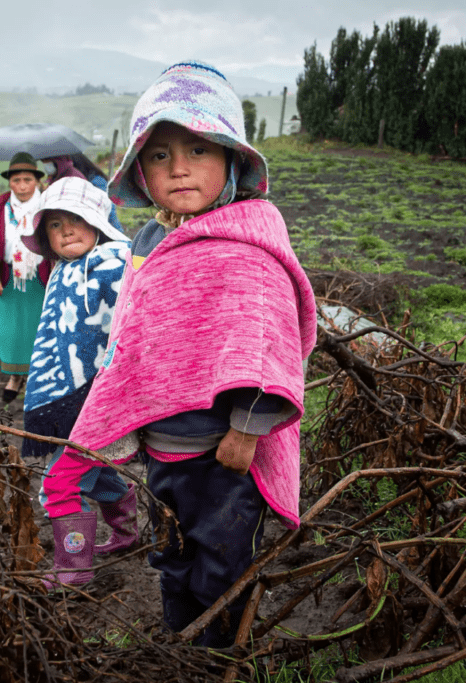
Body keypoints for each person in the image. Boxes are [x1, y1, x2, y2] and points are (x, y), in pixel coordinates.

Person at [49, 62, 318, 647]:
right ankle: (178, 643)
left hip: (222, 456)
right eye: (160, 154)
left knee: (222, 561)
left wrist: (246, 431)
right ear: (140, 172)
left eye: (197, 149)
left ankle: (220, 648)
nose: (178, 168)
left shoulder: (247, 245)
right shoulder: (150, 242)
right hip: (162, 449)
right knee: (170, 551)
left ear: (232, 161)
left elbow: (264, 343)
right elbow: (139, 335)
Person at [14, 177, 139, 592]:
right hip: (67, 400)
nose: (66, 230)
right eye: (55, 225)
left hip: (98, 399)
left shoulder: (117, 262)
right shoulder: (63, 272)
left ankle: (73, 569)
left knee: (60, 482)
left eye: (76, 220)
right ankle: (127, 533)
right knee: (94, 471)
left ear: (98, 221)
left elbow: (133, 327)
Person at [0, 152, 54, 402]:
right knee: (12, 333)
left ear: (37, 181)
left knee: (39, 331)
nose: (22, 186)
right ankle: (16, 378)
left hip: (42, 279)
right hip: (7, 280)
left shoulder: (49, 204)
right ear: (9, 182)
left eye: (27, 180)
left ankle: (36, 379)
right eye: (16, 180)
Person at [41, 153, 124, 233]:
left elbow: (108, 210)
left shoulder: (95, 181)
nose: (46, 166)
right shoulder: (61, 178)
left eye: (49, 161)